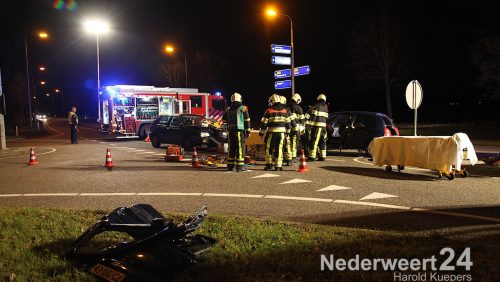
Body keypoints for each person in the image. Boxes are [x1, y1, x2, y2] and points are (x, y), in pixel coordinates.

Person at [259, 94, 291, 171]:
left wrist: (261, 133)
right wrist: (288, 132)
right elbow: (288, 123)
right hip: (281, 134)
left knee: (268, 148)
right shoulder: (285, 111)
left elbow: (264, 123)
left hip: (271, 133)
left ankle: (269, 165)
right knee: (279, 149)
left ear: (272, 101)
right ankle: (278, 166)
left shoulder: (269, 110)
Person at [225, 93, 251, 172]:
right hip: (240, 131)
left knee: (231, 148)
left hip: (230, 131)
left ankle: (230, 166)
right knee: (240, 148)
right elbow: (247, 120)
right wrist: (248, 131)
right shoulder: (243, 108)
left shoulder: (228, 109)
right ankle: (239, 167)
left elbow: (224, 119)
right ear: (240, 99)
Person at [307, 94, 329, 161]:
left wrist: (309, 125)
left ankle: (312, 156)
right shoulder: (326, 108)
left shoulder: (316, 106)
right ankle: (322, 156)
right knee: (322, 141)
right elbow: (326, 119)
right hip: (324, 128)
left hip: (317, 127)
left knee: (314, 141)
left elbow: (314, 117)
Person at [288, 93, 305, 162]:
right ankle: (293, 157)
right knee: (294, 142)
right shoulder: (299, 108)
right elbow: (302, 120)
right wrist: (302, 130)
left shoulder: (286, 107)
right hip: (296, 128)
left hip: (288, 127)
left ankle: (287, 156)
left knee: (288, 142)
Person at [280, 95, 296, 166]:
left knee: (278, 146)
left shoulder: (274, 109)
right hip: (286, 131)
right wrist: (295, 128)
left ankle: (279, 159)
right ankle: (288, 160)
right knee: (287, 145)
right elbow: (292, 120)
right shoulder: (287, 109)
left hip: (277, 131)